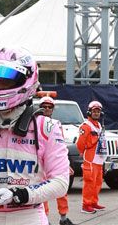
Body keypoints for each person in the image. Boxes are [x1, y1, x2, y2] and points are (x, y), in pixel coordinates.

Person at [0, 47, 70, 225]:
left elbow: (61, 182)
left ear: (28, 80)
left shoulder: (47, 128)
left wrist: (20, 194)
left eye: (6, 82)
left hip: (29, 216)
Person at [38, 96, 75, 225]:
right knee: (42, 191)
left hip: (54, 162)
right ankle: (44, 220)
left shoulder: (56, 124)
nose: (47, 109)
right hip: (39, 162)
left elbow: (61, 146)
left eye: (49, 107)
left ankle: (63, 218)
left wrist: (66, 164)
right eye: (44, 107)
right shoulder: (34, 123)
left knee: (61, 189)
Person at [76, 100, 107, 214]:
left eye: (98, 111)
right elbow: (80, 143)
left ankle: (93, 202)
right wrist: (82, 152)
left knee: (97, 182)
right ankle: (86, 205)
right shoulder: (86, 126)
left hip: (98, 158)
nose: (96, 113)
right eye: (94, 111)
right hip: (90, 158)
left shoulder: (98, 125)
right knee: (89, 182)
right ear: (89, 112)